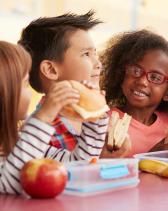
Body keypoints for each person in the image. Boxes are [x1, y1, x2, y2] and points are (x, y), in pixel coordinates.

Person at [0, 41, 107, 195]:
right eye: (25, 84)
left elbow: (79, 166)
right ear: (4, 94)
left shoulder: (20, 142)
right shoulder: (29, 142)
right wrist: (42, 117)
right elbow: (11, 185)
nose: (30, 92)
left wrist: (94, 115)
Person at [18, 11, 129, 157]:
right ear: (51, 69)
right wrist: (100, 160)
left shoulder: (100, 120)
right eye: (86, 54)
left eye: (95, 53)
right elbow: (75, 169)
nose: (98, 64)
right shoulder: (36, 135)